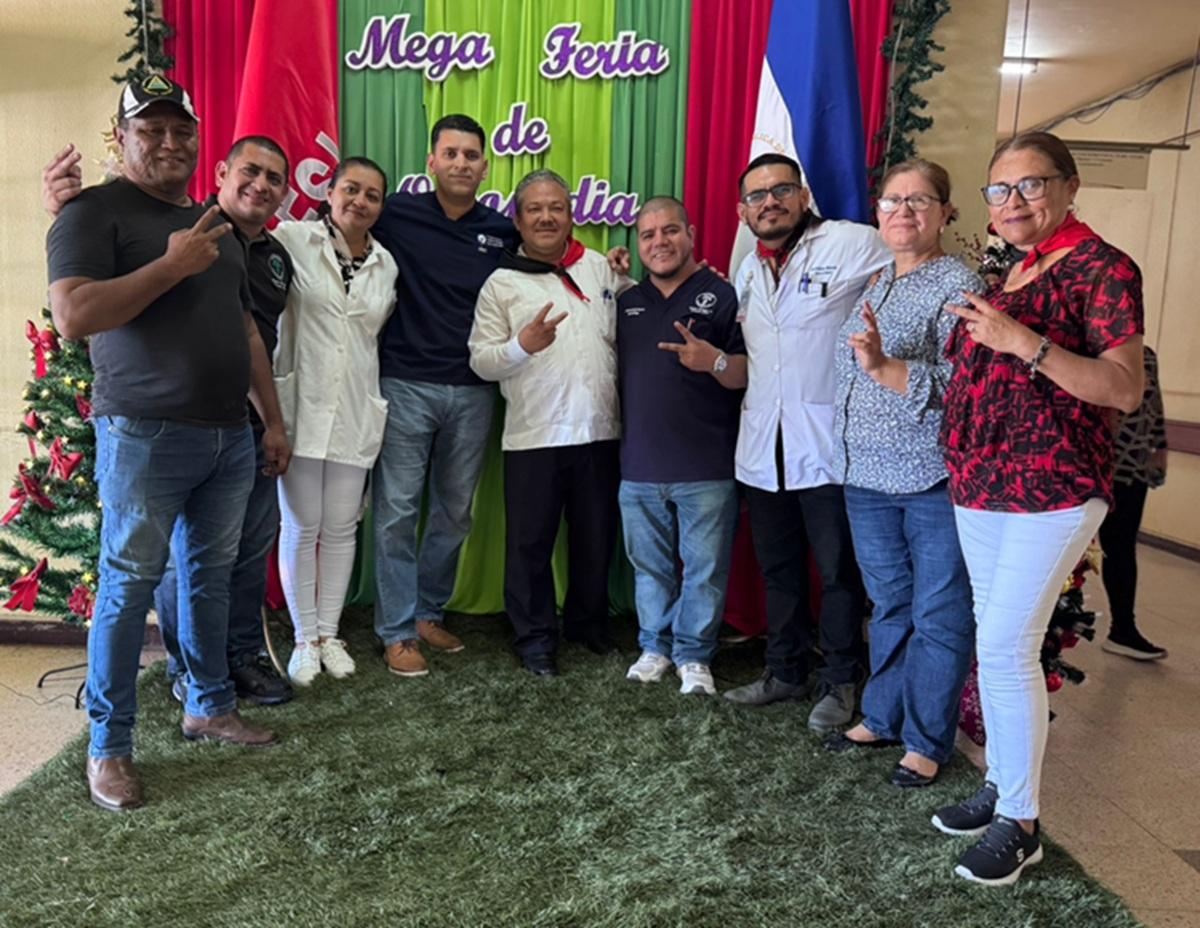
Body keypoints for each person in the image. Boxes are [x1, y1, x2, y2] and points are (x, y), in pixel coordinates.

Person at [46, 75, 288, 811]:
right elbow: (73, 315)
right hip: (145, 435)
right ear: (122, 138)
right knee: (128, 589)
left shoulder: (213, 221)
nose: (169, 142)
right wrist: (170, 266)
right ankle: (109, 746)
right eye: (151, 129)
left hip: (228, 436)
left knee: (210, 579)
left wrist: (272, 420)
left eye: (182, 130)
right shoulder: (92, 213)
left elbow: (246, 330)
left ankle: (208, 706)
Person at [933, 132, 1145, 886]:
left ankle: (1020, 825)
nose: (1014, 201)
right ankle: (1000, 786)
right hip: (982, 484)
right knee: (993, 639)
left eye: (1031, 185)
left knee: (1005, 647)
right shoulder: (1015, 271)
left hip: (1051, 487)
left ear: (1069, 185)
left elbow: (1123, 388)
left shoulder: (1103, 267)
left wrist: (1025, 343)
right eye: (1000, 189)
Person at [722, 153, 890, 733]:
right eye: (757, 195)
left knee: (839, 573)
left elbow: (907, 270)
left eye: (781, 190)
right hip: (762, 447)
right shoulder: (747, 269)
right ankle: (784, 670)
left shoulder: (851, 243)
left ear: (803, 195)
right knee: (779, 570)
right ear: (742, 211)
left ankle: (841, 680)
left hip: (827, 447)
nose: (769, 202)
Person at [824, 160, 978, 788]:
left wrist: (889, 368)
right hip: (866, 477)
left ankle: (926, 741)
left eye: (919, 201)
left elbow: (969, 385)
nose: (903, 212)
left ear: (945, 212)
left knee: (939, 612)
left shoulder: (958, 285)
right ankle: (882, 716)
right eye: (892, 201)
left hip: (929, 478)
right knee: (889, 604)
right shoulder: (879, 280)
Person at [368, 116, 519, 678]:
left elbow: (542, 268)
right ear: (431, 161)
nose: (461, 163)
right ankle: (397, 631)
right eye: (450, 153)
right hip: (405, 382)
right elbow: (339, 229)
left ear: (485, 167)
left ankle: (428, 611)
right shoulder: (396, 214)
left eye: (471, 155)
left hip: (475, 390)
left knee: (455, 513)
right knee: (397, 513)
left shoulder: (501, 231)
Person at [468, 170, 631, 677]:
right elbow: (480, 360)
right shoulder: (500, 283)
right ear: (517, 220)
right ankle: (535, 637)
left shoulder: (600, 268)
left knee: (596, 538)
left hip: (600, 432)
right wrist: (521, 346)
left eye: (556, 207)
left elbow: (635, 317)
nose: (546, 217)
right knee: (530, 545)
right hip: (534, 436)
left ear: (571, 216)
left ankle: (588, 624)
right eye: (535, 209)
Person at [272, 158, 398, 685]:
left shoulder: (386, 264)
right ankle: (304, 639)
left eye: (372, 195)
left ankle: (330, 633)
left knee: (343, 527)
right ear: (330, 192)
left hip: (354, 409)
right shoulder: (292, 239)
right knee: (302, 525)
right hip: (301, 405)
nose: (360, 201)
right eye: (351, 189)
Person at [617, 197, 747, 696]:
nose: (660, 242)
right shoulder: (626, 300)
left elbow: (747, 373)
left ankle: (694, 655)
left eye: (670, 230)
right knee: (650, 570)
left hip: (706, 466)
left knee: (704, 573)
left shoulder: (723, 294)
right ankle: (655, 647)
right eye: (648, 234)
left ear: (690, 234)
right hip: (639, 467)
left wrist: (714, 361)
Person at [1098, 345, 1169, 660]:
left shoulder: (1146, 355)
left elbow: (1154, 405)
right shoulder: (1088, 348)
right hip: (1090, 464)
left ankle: (1123, 629)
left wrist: (1159, 448)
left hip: (1131, 468)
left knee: (1121, 547)